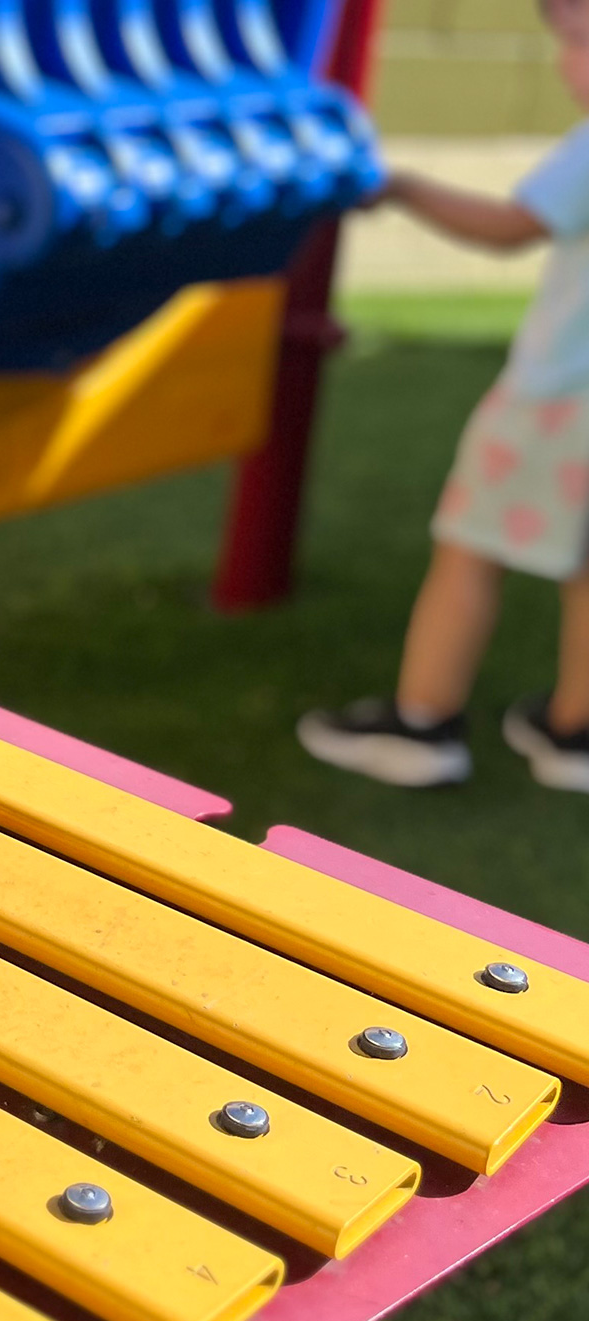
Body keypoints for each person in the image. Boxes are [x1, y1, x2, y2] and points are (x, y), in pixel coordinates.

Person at [299, 0, 589, 794]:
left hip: (555, 404)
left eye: (576, 41)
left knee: (468, 549)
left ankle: (422, 723)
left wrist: (403, 188)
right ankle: (576, 734)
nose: (565, 62)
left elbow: (509, 227)